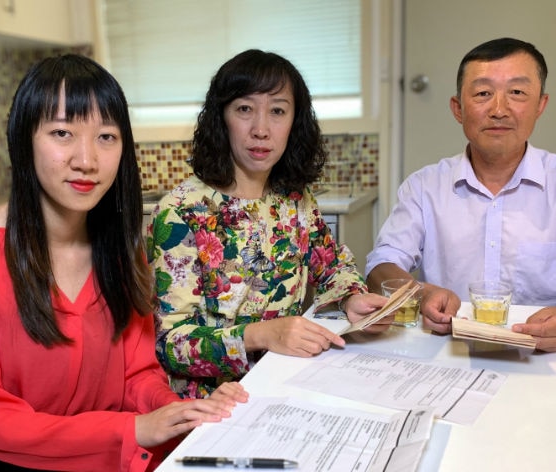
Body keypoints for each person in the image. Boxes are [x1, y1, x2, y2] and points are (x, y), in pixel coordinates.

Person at [0, 54, 247, 472]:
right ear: (23, 140)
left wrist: (180, 412)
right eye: (62, 133)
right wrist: (133, 431)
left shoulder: (119, 249)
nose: (87, 160)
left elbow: (136, 376)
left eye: (106, 137)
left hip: (91, 459)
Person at [366, 37, 556, 353]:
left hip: (545, 357)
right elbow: (383, 264)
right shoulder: (423, 187)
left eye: (517, 93)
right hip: (447, 353)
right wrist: (421, 293)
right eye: (483, 94)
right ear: (458, 109)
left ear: (541, 104)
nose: (499, 110)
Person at [147, 49, 390, 399]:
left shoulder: (294, 199)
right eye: (244, 109)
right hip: (213, 403)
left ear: (295, 122)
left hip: (287, 379)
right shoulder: (181, 213)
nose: (261, 129)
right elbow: (171, 344)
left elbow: (333, 267)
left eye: (277, 111)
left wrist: (351, 297)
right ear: (222, 117)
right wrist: (263, 334)